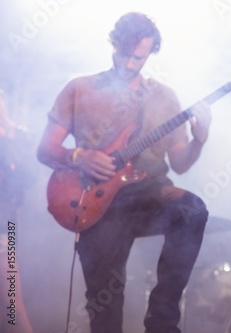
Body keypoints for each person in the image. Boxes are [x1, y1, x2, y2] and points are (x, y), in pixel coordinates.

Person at [37, 12, 211, 333]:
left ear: (150, 53)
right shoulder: (79, 89)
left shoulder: (164, 96)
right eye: (124, 54)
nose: (130, 64)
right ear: (113, 45)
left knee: (192, 209)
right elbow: (45, 150)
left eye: (139, 57)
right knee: (104, 309)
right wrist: (79, 155)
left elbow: (181, 163)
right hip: (98, 202)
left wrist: (199, 140)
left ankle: (162, 321)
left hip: (149, 193)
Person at [0, 89, 34, 333]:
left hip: (7, 232)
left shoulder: (13, 143)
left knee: (12, 305)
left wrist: (10, 138)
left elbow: (25, 181)